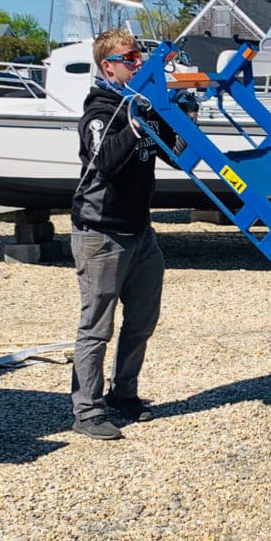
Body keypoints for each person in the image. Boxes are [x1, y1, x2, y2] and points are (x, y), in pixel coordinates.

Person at [69, 29, 182, 440]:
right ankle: (87, 410)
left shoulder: (142, 106)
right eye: (129, 58)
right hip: (100, 233)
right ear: (108, 67)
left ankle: (125, 394)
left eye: (139, 56)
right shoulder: (100, 112)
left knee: (142, 319)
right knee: (97, 327)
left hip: (139, 230)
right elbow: (107, 161)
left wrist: (174, 113)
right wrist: (135, 123)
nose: (137, 63)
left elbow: (177, 153)